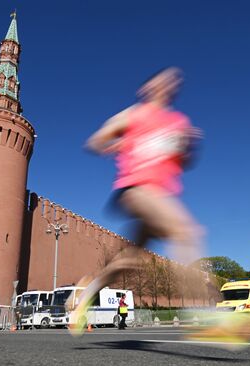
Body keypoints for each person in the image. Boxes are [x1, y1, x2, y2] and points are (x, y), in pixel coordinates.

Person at [69, 67, 205, 336]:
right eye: (164, 78)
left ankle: (85, 295)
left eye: (175, 80)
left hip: (161, 194)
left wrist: (188, 146)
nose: (170, 82)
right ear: (147, 88)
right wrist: (110, 143)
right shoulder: (134, 114)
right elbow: (94, 141)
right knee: (187, 231)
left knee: (129, 261)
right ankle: (205, 315)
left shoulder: (178, 122)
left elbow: (184, 161)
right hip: (135, 190)